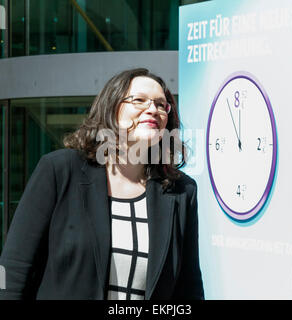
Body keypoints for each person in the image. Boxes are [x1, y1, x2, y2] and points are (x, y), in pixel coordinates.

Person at [0, 68, 205, 300]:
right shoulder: (59, 170)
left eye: (161, 105)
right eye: (139, 100)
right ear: (111, 107)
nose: (153, 110)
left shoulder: (181, 191)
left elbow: (189, 286)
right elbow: (15, 267)